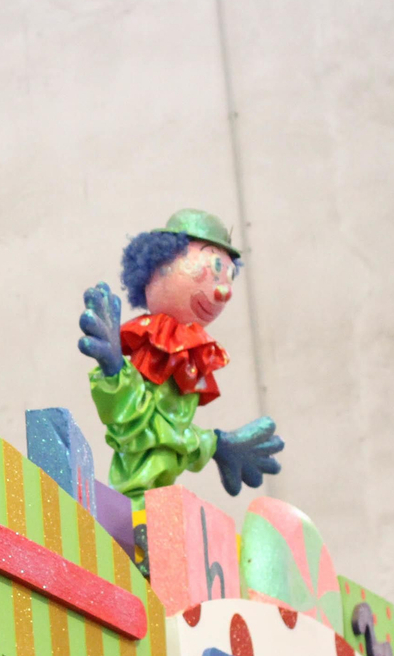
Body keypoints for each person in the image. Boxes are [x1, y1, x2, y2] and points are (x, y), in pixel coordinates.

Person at [78, 209, 284, 502]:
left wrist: (217, 445)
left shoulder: (190, 353)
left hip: (161, 504)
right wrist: (114, 372)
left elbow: (171, 429)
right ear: (158, 266)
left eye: (229, 274)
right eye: (213, 267)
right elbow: (134, 427)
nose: (224, 291)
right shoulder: (154, 342)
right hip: (135, 503)